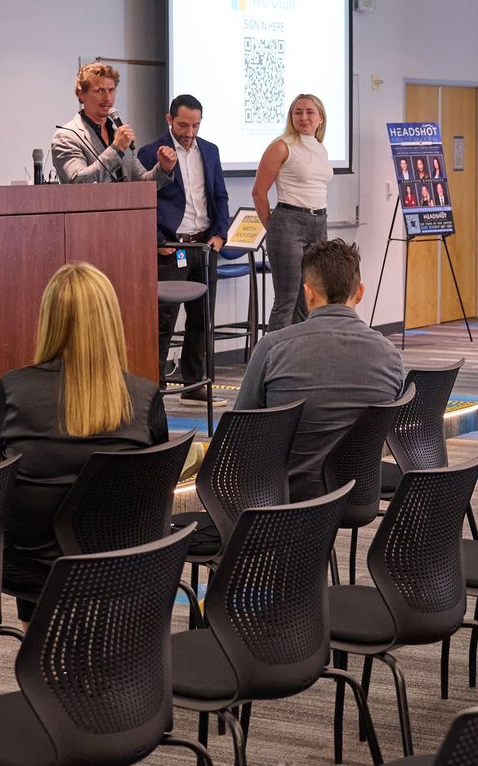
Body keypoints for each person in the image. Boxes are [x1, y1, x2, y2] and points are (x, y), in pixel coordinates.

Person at [0, 262, 167, 610]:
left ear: (49, 319)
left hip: (30, 570)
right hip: (120, 565)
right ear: (110, 320)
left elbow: (9, 464)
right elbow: (156, 483)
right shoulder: (144, 396)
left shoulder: (13, 388)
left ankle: (39, 641)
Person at [236, 239, 404, 499]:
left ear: (308, 293)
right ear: (359, 292)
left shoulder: (272, 348)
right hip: (360, 492)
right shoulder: (390, 356)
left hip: (285, 494)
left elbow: (241, 430)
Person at [136, 95, 229, 403]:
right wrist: (154, 239)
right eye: (183, 125)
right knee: (163, 321)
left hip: (204, 246)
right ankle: (155, 387)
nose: (190, 132)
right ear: (169, 119)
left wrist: (220, 236)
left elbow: (220, 197)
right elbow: (142, 202)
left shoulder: (211, 151)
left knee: (202, 320)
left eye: (196, 125)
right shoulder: (150, 152)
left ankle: (195, 385)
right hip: (171, 247)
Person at [252, 93, 330, 330]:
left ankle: (299, 354)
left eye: (309, 112)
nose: (303, 117)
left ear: (320, 119)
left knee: (310, 298)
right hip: (288, 222)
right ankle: (274, 359)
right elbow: (258, 193)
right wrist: (274, 228)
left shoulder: (320, 149)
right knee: (286, 299)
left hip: (319, 222)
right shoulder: (282, 146)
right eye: (298, 112)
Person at [50, 62, 175, 185]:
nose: (108, 98)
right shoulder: (66, 136)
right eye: (99, 91)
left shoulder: (118, 134)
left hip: (126, 205)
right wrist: (116, 149)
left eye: (111, 90)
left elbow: (141, 181)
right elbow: (79, 182)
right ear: (81, 94)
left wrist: (164, 168)